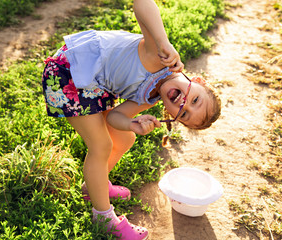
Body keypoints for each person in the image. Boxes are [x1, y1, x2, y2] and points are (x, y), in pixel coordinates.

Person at [41, 0, 221, 239]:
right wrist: (163, 41)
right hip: (69, 72)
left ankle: (94, 186)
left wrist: (130, 124)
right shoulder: (160, 56)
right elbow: (141, 4)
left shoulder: (149, 97)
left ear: (174, 118)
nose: (183, 103)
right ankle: (104, 217)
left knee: (124, 138)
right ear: (197, 82)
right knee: (101, 145)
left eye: (185, 114)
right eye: (195, 100)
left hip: (94, 83)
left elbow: (116, 116)